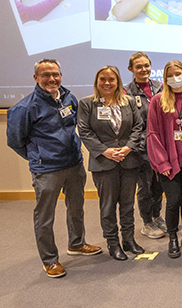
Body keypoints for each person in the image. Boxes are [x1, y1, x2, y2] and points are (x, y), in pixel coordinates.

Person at [6, 59, 102, 278]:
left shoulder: (69, 98)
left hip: (74, 164)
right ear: (36, 78)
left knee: (76, 207)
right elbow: (15, 141)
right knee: (45, 216)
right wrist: (38, 157)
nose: (52, 79)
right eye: (46, 75)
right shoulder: (25, 107)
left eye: (56, 74)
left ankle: (77, 244)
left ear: (61, 75)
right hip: (47, 170)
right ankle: (49, 260)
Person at [77, 66, 145, 261]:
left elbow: (138, 127)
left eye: (111, 79)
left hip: (128, 160)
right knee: (107, 206)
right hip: (103, 163)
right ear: (97, 82)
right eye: (102, 79)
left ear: (118, 82)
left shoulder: (129, 102)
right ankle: (113, 243)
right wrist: (105, 151)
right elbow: (85, 131)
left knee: (127, 204)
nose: (107, 83)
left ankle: (129, 240)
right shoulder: (87, 104)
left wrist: (128, 147)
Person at [146, 61, 182, 258]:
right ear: (165, 78)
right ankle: (173, 238)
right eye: (170, 75)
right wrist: (161, 162)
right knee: (173, 201)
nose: (175, 77)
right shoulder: (157, 101)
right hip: (168, 162)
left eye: (178, 73)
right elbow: (152, 133)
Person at [124, 52, 166, 240]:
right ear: (131, 69)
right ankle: (147, 221)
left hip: (161, 145)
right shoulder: (126, 92)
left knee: (160, 184)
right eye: (139, 66)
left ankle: (157, 215)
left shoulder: (161, 87)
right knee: (145, 186)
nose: (143, 70)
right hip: (141, 147)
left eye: (146, 66)